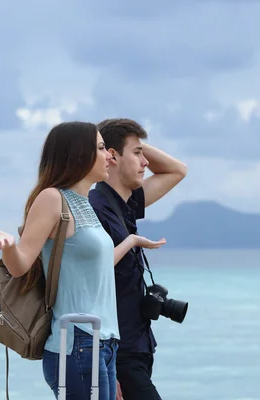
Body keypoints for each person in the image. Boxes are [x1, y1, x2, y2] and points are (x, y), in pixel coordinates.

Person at [0, 121, 130, 400]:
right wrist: (10, 245)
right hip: (78, 342)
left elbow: (97, 269)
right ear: (78, 154)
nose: (109, 155)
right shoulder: (52, 199)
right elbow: (21, 263)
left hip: (104, 343)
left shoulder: (86, 203)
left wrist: (131, 241)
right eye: (99, 148)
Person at [88, 118, 188, 400]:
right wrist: (105, 370)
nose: (145, 162)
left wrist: (135, 143)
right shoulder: (96, 210)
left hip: (136, 347)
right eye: (137, 153)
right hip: (117, 355)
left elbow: (177, 171)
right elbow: (87, 285)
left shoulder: (125, 204)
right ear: (113, 157)